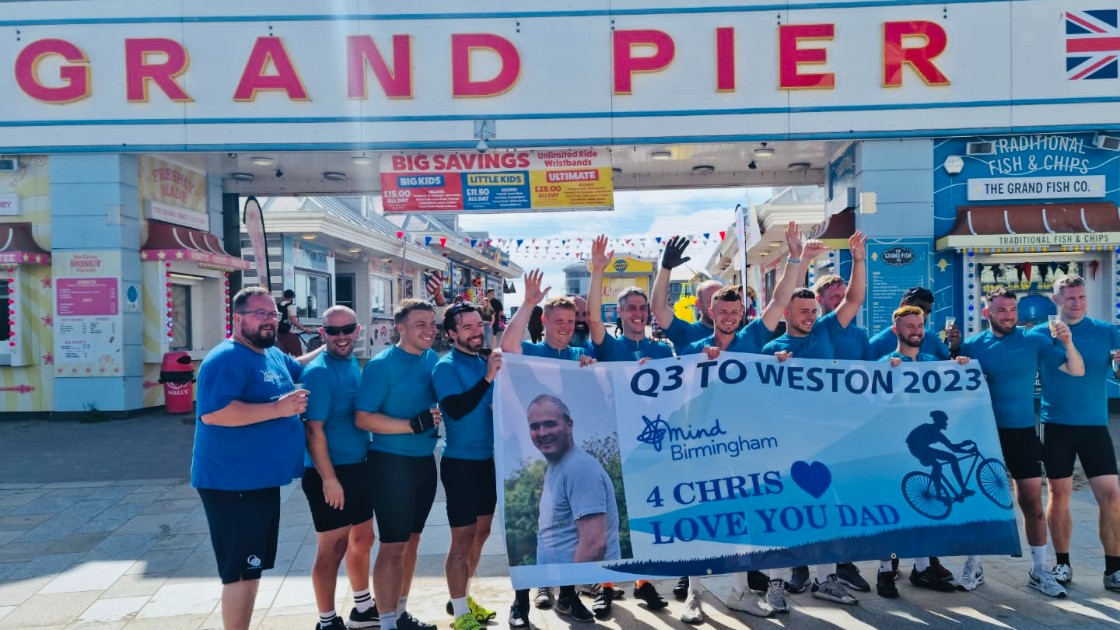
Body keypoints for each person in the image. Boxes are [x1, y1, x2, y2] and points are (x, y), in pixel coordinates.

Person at [673, 226, 819, 623]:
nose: (730, 318)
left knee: (745, 519)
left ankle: (738, 591)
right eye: (723, 313)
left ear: (742, 315)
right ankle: (695, 594)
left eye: (736, 313)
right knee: (702, 520)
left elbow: (779, 298)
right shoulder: (691, 349)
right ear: (710, 314)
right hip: (703, 445)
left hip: (748, 446)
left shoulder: (754, 338)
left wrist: (794, 259)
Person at [192, 286, 316, 630]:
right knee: (238, 573)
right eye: (260, 313)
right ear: (237, 318)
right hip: (233, 483)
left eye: (273, 314)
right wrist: (279, 408)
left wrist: (332, 342)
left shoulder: (270, 354)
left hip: (260, 480)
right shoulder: (225, 358)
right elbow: (215, 414)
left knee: (252, 567)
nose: (269, 320)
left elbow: (299, 365)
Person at [762, 231, 868, 606]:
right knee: (782, 514)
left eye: (813, 311)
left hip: (827, 439)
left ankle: (826, 579)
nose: (810, 316)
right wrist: (772, 371)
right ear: (786, 314)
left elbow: (854, 298)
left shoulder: (825, 330)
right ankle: (775, 584)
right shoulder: (771, 349)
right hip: (785, 441)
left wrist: (858, 259)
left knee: (828, 509)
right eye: (803, 311)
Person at [956, 287, 1082, 596]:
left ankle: (1039, 569)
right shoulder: (972, 345)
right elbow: (957, 391)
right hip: (985, 433)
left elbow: (1076, 370)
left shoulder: (1033, 340)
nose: (1009, 316)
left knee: (1031, 503)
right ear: (987, 313)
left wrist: (1067, 341)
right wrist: (957, 367)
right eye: (1001, 310)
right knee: (982, 502)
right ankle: (974, 563)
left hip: (1023, 433)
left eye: (1012, 310)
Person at [501, 270, 595, 626]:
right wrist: (527, 302)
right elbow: (508, 345)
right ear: (545, 321)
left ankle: (568, 597)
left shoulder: (579, 355)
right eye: (559, 321)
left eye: (571, 321)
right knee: (524, 525)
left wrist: (591, 369)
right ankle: (520, 603)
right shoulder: (531, 352)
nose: (566, 327)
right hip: (527, 458)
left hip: (566, 458)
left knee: (571, 526)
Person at [583, 236, 670, 618]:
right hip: (614, 442)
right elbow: (591, 319)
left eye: (642, 308)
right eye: (630, 308)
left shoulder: (665, 351)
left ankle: (644, 582)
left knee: (649, 517)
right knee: (612, 514)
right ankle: (606, 586)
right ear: (619, 313)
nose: (637, 313)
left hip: (652, 444)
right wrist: (598, 269)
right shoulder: (609, 347)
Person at [355, 299, 444, 630]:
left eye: (432, 324)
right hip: (391, 464)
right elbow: (362, 418)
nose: (429, 330)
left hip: (424, 463)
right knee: (392, 546)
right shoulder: (381, 366)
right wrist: (411, 425)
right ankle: (387, 622)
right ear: (400, 328)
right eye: (420, 324)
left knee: (412, 542)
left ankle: (401, 613)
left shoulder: (431, 358)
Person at [1031, 275, 1120, 590]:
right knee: (1059, 494)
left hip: (1095, 425)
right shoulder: (1041, 334)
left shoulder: (1108, 332)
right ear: (1056, 300)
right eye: (1070, 298)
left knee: (1111, 496)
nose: (1077, 303)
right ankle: (1063, 564)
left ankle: (1114, 570)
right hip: (1057, 424)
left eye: (1081, 297)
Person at [880, 305, 971, 598]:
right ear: (896, 330)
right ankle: (884, 572)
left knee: (925, 505)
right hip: (896, 447)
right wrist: (885, 375)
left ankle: (922, 568)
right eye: (909, 326)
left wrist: (962, 368)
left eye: (920, 325)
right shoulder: (884, 363)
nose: (916, 331)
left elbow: (954, 398)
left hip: (924, 446)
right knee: (893, 511)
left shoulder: (934, 362)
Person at [299, 306, 378, 630]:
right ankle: (327, 620)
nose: (341, 336)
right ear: (323, 334)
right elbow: (312, 429)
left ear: (357, 330)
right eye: (333, 331)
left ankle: (362, 607)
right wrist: (329, 480)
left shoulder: (351, 365)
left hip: (358, 468)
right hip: (330, 473)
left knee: (363, 538)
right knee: (332, 547)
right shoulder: (319, 371)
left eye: (347, 329)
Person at [433, 303, 503, 630]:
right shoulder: (445, 367)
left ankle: (460, 597)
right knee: (461, 540)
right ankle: (460, 614)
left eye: (479, 325)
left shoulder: (486, 360)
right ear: (451, 334)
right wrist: (489, 377)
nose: (477, 332)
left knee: (482, 532)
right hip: (459, 463)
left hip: (486, 460)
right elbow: (457, 409)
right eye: (467, 327)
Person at [528, 394, 622, 565]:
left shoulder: (579, 468)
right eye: (535, 426)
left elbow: (594, 544)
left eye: (550, 424)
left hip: (584, 587)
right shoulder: (558, 466)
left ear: (569, 425)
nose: (542, 432)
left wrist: (574, 589)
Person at [868, 287, 958, 360]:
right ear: (904, 305)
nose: (924, 315)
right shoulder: (876, 345)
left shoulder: (930, 338)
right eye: (919, 308)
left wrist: (954, 347)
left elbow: (949, 367)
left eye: (927, 312)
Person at [277, 289, 310, 356]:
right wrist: (304, 329)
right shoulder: (291, 306)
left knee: (283, 355)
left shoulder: (278, 305)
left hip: (280, 333)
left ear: (283, 296)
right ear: (293, 297)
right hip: (290, 333)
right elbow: (293, 321)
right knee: (298, 355)